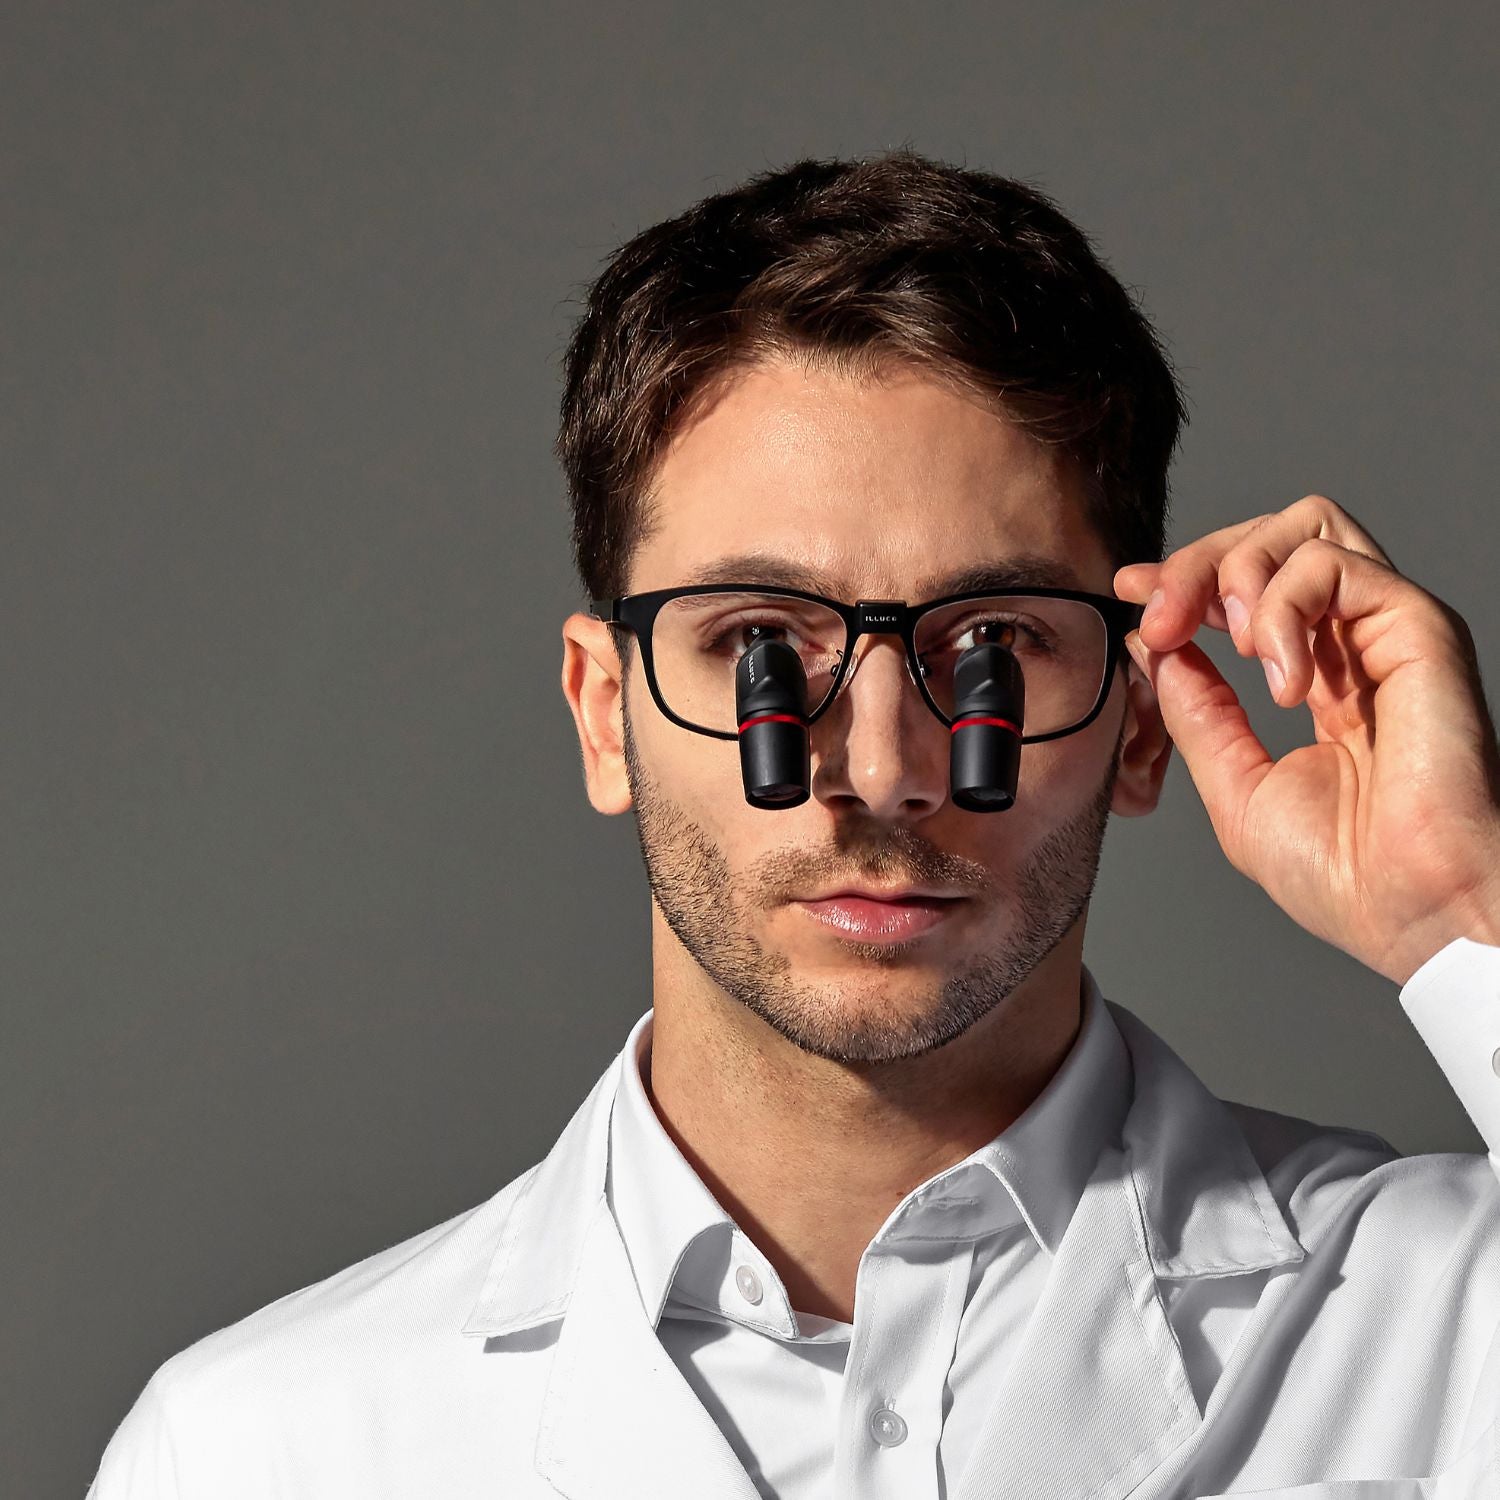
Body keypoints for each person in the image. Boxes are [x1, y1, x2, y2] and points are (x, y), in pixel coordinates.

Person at [88, 149, 1500, 1499]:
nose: (880, 769)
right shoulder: (258, 1454)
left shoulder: (1450, 1322)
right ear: (603, 712)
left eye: (995, 641)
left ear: (1141, 721)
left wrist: (1461, 913)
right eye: (760, 639)